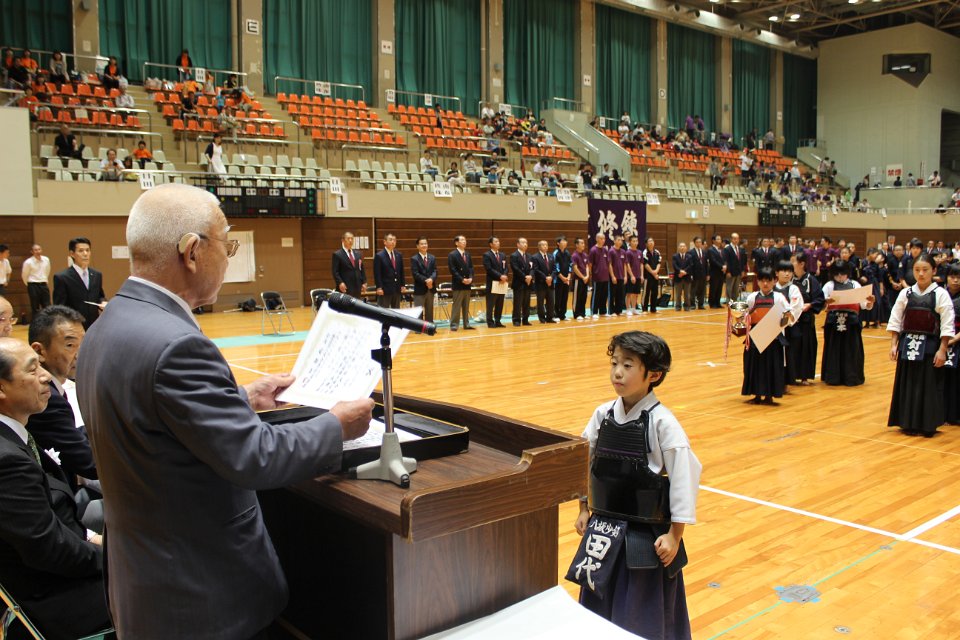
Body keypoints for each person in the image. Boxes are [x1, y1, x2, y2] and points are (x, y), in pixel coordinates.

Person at [76, 184, 373, 639]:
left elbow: (154, 418)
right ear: (192, 251)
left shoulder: (108, 323)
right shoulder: (177, 344)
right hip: (198, 593)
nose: (229, 257)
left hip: (145, 581)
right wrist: (336, 425)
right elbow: (255, 456)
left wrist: (242, 399)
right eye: (227, 245)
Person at [573, 331, 701, 639]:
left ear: (653, 374)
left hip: (645, 537)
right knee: (596, 603)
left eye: (628, 365)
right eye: (614, 363)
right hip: (603, 529)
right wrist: (583, 507)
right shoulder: (602, 414)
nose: (617, 372)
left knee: (639, 612)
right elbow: (583, 462)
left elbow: (684, 479)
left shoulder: (663, 423)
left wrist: (675, 535)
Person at [0, 337, 111, 640]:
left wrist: (93, 540)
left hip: (57, 571)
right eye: (32, 369)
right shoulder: (7, 460)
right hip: (54, 597)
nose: (45, 376)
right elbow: (50, 550)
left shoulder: (15, 435)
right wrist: (115, 558)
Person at [26, 307, 100, 498]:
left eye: (84, 344)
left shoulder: (55, 388)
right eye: (70, 345)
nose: (80, 354)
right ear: (39, 351)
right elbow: (89, 464)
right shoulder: (45, 396)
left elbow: (67, 433)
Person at [886, 254, 955, 436]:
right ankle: (907, 422)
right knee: (908, 384)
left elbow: (947, 325)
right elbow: (896, 320)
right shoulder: (905, 293)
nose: (921, 274)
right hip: (907, 346)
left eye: (925, 270)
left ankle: (926, 425)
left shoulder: (941, 294)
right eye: (917, 270)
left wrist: (942, 350)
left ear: (934, 270)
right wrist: (894, 344)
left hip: (930, 347)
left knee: (927, 385)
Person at [741, 268, 791, 404]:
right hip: (756, 336)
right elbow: (745, 314)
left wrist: (782, 321)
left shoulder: (779, 297)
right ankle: (756, 394)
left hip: (773, 337)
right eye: (762, 281)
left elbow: (788, 314)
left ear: (774, 281)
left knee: (771, 366)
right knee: (755, 365)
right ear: (757, 282)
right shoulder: (752, 297)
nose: (765, 284)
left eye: (768, 281)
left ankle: (769, 395)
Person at [821, 261, 874, 386]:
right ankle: (833, 377)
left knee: (851, 349)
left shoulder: (855, 284)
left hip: (851, 322)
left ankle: (852, 377)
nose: (840, 277)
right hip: (834, 321)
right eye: (837, 274)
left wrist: (870, 302)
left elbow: (864, 305)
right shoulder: (829, 286)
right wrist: (826, 303)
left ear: (847, 273)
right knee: (833, 349)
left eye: (843, 274)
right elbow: (821, 305)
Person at [52, 237, 106, 330]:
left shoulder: (97, 275)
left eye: (87, 250)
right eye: (81, 251)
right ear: (72, 254)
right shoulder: (62, 277)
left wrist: (103, 302)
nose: (85, 254)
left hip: (94, 326)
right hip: (74, 326)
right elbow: (59, 308)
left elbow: (99, 296)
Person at [789, 251, 825, 385]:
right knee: (792, 347)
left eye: (793, 261)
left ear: (802, 264)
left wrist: (810, 305)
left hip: (805, 320)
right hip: (792, 320)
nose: (791, 264)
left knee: (805, 347)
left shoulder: (811, 280)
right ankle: (791, 375)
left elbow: (820, 299)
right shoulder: (790, 280)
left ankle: (804, 376)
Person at [774, 261, 804, 385]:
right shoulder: (772, 288)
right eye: (784, 271)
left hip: (789, 328)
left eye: (790, 271)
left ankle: (787, 381)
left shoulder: (793, 289)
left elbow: (796, 307)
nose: (787, 274)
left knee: (789, 354)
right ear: (776, 273)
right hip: (773, 327)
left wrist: (785, 321)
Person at [943, 265, 960, 424]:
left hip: (957, 342)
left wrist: (955, 339)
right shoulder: (941, 294)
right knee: (943, 378)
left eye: (959, 277)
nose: (955, 280)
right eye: (952, 276)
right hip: (942, 341)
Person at [447, 235, 474, 331]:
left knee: (466, 305)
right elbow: (453, 270)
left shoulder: (467, 254)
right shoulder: (452, 254)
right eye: (462, 240)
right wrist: (462, 279)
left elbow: (471, 267)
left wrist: (471, 278)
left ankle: (466, 324)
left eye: (465, 240)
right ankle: (454, 324)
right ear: (456, 243)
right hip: (458, 284)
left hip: (468, 284)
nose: (464, 241)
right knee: (457, 305)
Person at [373, 233, 406, 309]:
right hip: (385, 289)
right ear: (384, 242)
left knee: (396, 311)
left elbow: (401, 271)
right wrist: (379, 287)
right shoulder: (379, 256)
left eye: (394, 240)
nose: (393, 242)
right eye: (390, 240)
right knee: (383, 311)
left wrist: (403, 285)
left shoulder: (398, 255)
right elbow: (377, 274)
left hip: (397, 288)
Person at [483, 236, 508, 328]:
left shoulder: (502, 255)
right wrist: (500, 276)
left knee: (500, 303)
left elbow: (506, 267)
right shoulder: (487, 255)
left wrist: (504, 275)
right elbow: (489, 269)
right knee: (491, 303)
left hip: (502, 282)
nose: (498, 243)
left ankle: (498, 321)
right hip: (493, 282)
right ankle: (490, 322)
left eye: (498, 241)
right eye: (496, 241)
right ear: (491, 244)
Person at [21, 244, 51, 322]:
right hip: (33, 285)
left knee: (47, 305)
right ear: (32, 252)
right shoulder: (28, 262)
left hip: (43, 284)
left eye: (39, 249)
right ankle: (36, 323)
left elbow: (47, 271)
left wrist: (44, 279)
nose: (38, 251)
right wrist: (29, 284)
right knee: (35, 305)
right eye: (35, 250)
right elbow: (24, 275)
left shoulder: (46, 259)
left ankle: (48, 322)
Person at [332, 231, 366, 297]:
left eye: (352, 238)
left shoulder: (358, 254)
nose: (350, 240)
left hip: (357, 287)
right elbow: (335, 272)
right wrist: (340, 283)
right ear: (343, 240)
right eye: (348, 238)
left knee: (356, 303)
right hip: (345, 287)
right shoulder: (337, 254)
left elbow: (361, 269)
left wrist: (364, 282)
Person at [410, 236, 436, 323]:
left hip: (430, 288)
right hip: (420, 289)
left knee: (429, 311)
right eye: (422, 244)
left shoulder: (432, 257)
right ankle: (419, 328)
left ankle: (429, 327)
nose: (424, 245)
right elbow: (415, 273)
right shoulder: (414, 259)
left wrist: (431, 279)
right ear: (417, 246)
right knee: (419, 311)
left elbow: (435, 271)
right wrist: (426, 280)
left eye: (425, 243)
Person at [531, 240, 557, 324]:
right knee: (540, 302)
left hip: (550, 283)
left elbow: (554, 269)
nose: (545, 246)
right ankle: (542, 318)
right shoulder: (535, 257)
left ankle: (550, 317)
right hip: (541, 283)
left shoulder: (551, 256)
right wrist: (546, 278)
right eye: (543, 245)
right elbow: (536, 270)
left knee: (551, 301)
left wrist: (551, 277)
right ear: (539, 247)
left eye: (546, 245)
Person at [511, 238, 533, 326]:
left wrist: (530, 276)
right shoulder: (514, 255)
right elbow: (515, 269)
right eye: (523, 242)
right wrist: (525, 277)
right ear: (518, 244)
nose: (525, 244)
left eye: (526, 242)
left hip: (528, 282)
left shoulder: (529, 256)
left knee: (526, 302)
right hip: (519, 282)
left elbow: (533, 268)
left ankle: (525, 319)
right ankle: (516, 320)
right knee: (518, 303)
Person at [589, 234, 610, 319]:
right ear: (597, 239)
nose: (603, 240)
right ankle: (594, 312)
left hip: (605, 277)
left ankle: (602, 311)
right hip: (597, 277)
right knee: (596, 295)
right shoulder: (593, 250)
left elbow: (607, 263)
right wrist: (591, 274)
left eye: (604, 238)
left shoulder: (605, 250)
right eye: (601, 238)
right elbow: (590, 264)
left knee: (604, 295)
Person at [553, 236, 572, 321]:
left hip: (566, 279)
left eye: (565, 241)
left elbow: (570, 265)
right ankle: (556, 315)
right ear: (558, 243)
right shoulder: (556, 253)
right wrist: (562, 277)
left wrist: (568, 276)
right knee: (558, 298)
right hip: (558, 280)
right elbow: (555, 267)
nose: (565, 243)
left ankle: (562, 315)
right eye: (563, 241)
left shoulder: (567, 253)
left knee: (565, 298)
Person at [641, 237, 662, 314]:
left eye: (652, 241)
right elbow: (645, 264)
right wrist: (653, 273)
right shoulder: (645, 252)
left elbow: (659, 263)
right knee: (646, 292)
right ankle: (644, 309)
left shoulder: (657, 252)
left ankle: (653, 309)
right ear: (646, 244)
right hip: (647, 276)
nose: (651, 242)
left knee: (655, 292)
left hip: (655, 276)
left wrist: (656, 272)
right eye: (649, 241)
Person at [608, 235, 627, 316]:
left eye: (621, 240)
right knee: (612, 294)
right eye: (618, 240)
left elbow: (625, 264)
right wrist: (612, 276)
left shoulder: (623, 252)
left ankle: (619, 311)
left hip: (621, 277)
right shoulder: (611, 251)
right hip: (614, 277)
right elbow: (609, 264)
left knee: (620, 294)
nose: (620, 241)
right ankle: (611, 311)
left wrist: (625, 276)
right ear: (614, 241)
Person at [571, 237, 590, 321]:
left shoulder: (585, 255)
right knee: (577, 297)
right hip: (578, 280)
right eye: (581, 243)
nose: (583, 245)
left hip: (585, 280)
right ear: (576, 245)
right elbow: (575, 268)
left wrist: (587, 276)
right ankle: (576, 314)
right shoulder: (574, 255)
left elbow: (587, 266)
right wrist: (583, 277)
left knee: (584, 297)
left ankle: (583, 313)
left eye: (584, 243)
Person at [723, 233, 745, 303]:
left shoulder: (740, 249)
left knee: (736, 288)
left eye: (737, 239)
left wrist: (742, 270)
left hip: (738, 271)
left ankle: (734, 300)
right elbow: (726, 261)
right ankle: (729, 301)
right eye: (734, 239)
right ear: (731, 239)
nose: (736, 240)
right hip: (730, 272)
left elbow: (742, 261)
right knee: (729, 287)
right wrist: (728, 271)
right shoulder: (727, 249)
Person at [687, 237, 707, 310]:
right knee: (693, 290)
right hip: (695, 274)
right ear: (694, 243)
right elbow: (690, 265)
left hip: (703, 274)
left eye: (700, 242)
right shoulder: (690, 252)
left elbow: (706, 264)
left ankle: (701, 304)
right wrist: (691, 274)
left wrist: (707, 274)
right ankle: (692, 304)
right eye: (697, 242)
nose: (699, 243)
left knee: (702, 290)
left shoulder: (704, 252)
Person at [624, 235, 642, 316]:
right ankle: (628, 309)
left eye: (636, 241)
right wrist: (631, 275)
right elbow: (627, 265)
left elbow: (641, 264)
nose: (635, 243)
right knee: (629, 293)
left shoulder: (639, 252)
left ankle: (634, 308)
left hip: (638, 276)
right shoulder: (628, 252)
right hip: (631, 277)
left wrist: (641, 275)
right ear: (630, 242)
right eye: (633, 241)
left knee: (636, 293)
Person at [672, 242, 692, 312]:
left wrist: (684, 272)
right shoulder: (675, 256)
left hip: (687, 277)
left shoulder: (689, 256)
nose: (682, 248)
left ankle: (687, 307)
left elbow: (690, 265)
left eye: (683, 246)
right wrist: (680, 271)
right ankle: (678, 307)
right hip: (678, 277)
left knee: (687, 294)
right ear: (678, 248)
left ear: (686, 248)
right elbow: (675, 265)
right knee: (678, 294)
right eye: (681, 246)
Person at [707, 235, 726, 308]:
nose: (719, 240)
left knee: (719, 288)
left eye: (720, 239)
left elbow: (724, 260)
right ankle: (712, 303)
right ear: (713, 240)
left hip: (721, 272)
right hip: (714, 272)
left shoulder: (721, 249)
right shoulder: (710, 250)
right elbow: (713, 260)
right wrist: (722, 266)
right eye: (718, 239)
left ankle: (718, 302)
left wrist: (725, 266)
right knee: (713, 288)